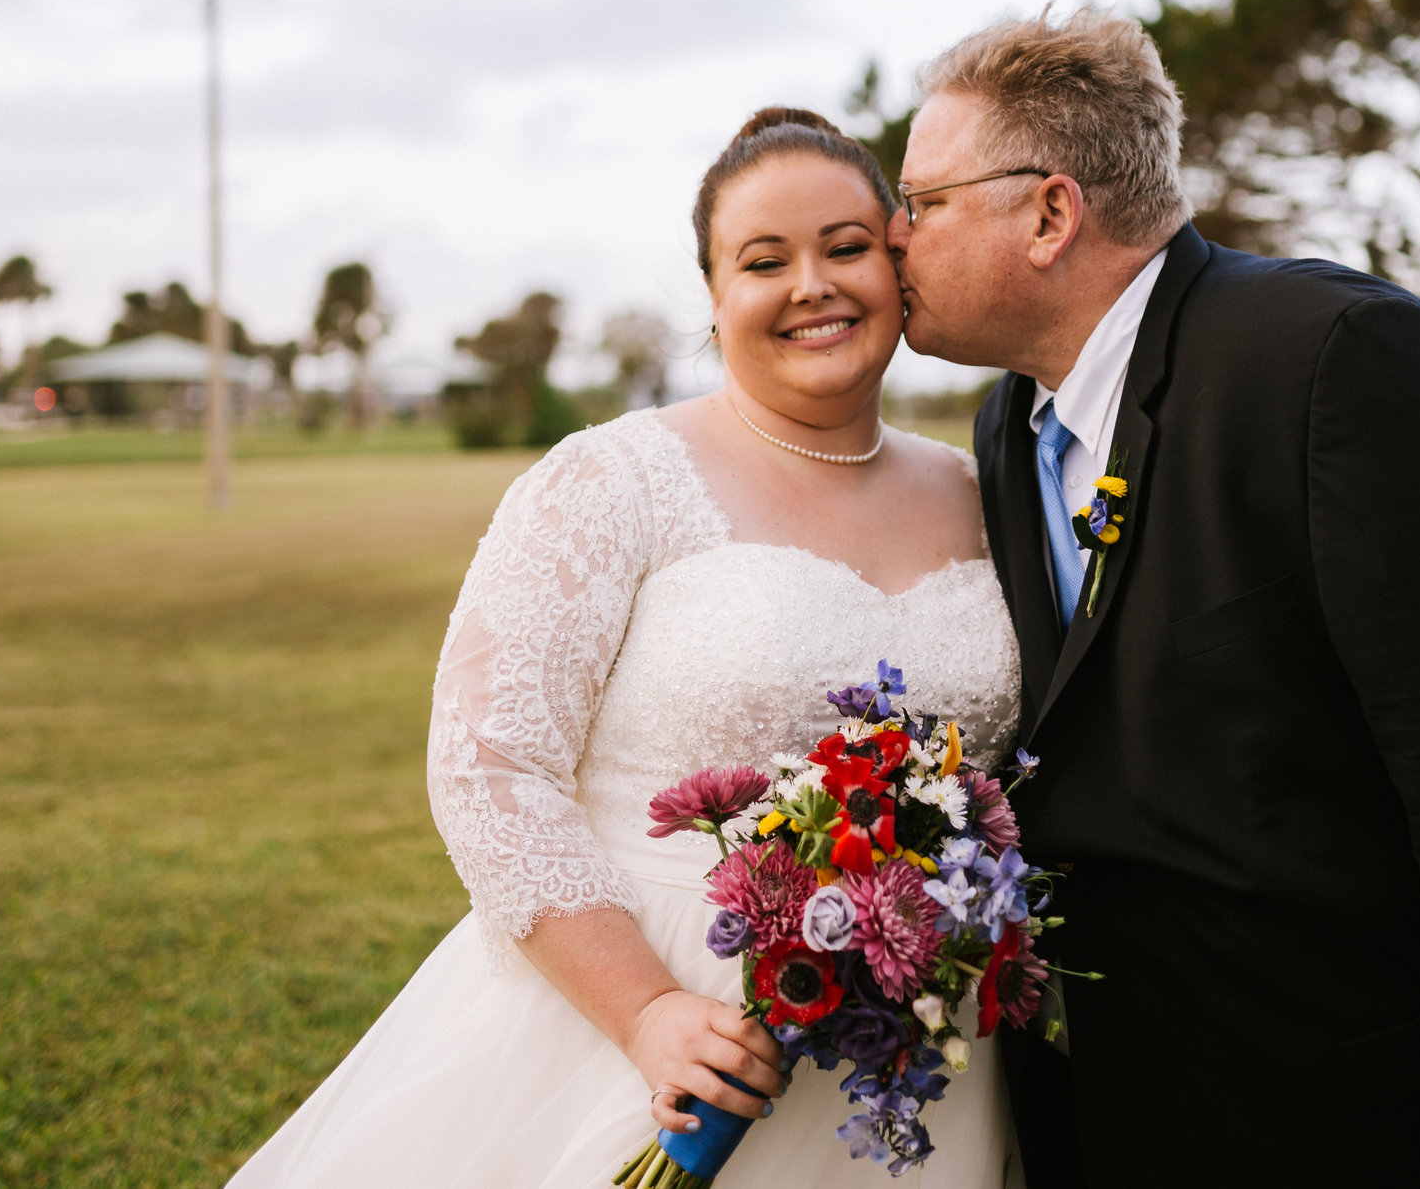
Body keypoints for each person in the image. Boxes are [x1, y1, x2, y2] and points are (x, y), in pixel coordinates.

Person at [891, 11, 1420, 1189]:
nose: (889, 236)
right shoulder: (1011, 421)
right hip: (1109, 1107)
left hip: (1353, 1111)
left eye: (921, 202)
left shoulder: (1341, 360)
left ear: (1049, 213)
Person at [227, 108, 1025, 1188]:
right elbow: (488, 762)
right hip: (638, 1029)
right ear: (712, 294)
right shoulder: (612, 478)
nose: (811, 284)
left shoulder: (985, 488)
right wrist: (648, 1013)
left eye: (845, 247)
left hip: (913, 1062)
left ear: (896, 260)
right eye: (762, 260)